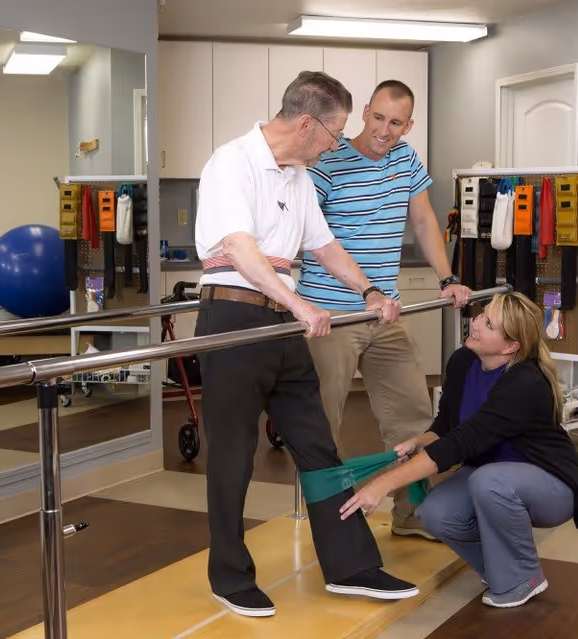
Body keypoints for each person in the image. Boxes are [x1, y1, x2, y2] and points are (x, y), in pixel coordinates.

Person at [193, 71, 420, 619]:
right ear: (305, 124)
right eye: (334, 133)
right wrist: (300, 305)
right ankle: (229, 575)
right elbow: (240, 249)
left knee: (318, 447)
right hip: (234, 319)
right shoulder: (233, 162)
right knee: (232, 454)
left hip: (283, 325)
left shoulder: (297, 175)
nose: (338, 144)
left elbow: (323, 245)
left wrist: (368, 290)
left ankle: (350, 566)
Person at [338, 291, 578, 609]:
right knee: (434, 513)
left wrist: (381, 485)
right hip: (487, 475)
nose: (475, 323)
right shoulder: (464, 361)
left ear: (510, 345)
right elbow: (447, 427)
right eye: (481, 315)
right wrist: (421, 441)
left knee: (489, 482)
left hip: (551, 485)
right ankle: (501, 570)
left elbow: (461, 444)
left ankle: (524, 577)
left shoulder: (524, 383)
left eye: (489, 323)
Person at [297, 79, 473, 539]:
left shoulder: (406, 158)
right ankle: (330, 524)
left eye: (396, 122)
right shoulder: (326, 163)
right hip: (332, 315)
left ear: (408, 124)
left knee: (414, 414)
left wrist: (447, 277)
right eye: (378, 118)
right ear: (365, 114)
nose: (384, 130)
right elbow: (316, 242)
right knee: (324, 424)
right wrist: (364, 290)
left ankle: (412, 514)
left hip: (385, 315)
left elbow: (423, 218)